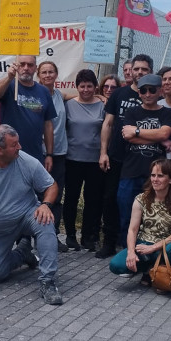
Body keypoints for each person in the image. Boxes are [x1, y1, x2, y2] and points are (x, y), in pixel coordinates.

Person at [0, 125, 63, 305]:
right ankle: (23, 253)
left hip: (27, 215)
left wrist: (46, 205)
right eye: (14, 145)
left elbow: (51, 186)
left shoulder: (25, 161)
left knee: (46, 222)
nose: (20, 147)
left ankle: (48, 281)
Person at [98, 54, 153, 258]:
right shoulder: (119, 94)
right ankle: (109, 242)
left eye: (144, 69)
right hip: (117, 157)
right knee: (110, 199)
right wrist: (103, 152)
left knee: (143, 202)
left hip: (143, 161)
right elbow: (108, 124)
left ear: (150, 72)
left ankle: (139, 244)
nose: (139, 73)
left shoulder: (153, 95)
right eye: (136, 69)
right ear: (130, 70)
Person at [108, 159, 171, 287]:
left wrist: (153, 247)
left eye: (160, 176)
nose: (155, 179)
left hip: (165, 246)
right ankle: (148, 269)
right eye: (153, 175)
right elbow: (132, 230)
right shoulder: (141, 198)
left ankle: (161, 272)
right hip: (143, 244)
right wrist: (130, 252)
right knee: (115, 265)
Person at [116, 73, 171, 243]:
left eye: (152, 90)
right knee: (127, 215)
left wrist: (138, 131)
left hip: (156, 175)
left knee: (155, 217)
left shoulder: (168, 113)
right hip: (131, 171)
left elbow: (164, 132)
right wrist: (160, 139)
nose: (148, 94)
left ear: (160, 91)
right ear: (139, 93)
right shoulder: (132, 112)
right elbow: (128, 137)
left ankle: (150, 254)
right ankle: (129, 253)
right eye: (144, 90)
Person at [63, 69, 105, 251]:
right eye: (82, 86)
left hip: (95, 160)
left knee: (92, 199)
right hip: (72, 158)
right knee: (71, 198)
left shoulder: (103, 105)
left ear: (95, 87)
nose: (86, 90)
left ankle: (88, 236)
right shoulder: (69, 104)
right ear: (77, 87)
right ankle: (71, 235)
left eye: (89, 86)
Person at [0, 55, 54, 171]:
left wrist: (49, 154)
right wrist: (9, 77)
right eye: (22, 64)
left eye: (30, 65)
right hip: (9, 154)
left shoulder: (44, 91)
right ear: (16, 66)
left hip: (35, 153)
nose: (26, 68)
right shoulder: (9, 86)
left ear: (36, 68)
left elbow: (48, 124)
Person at [38, 60, 69, 251]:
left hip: (59, 153)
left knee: (56, 196)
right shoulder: (35, 94)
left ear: (56, 74)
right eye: (44, 72)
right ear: (38, 75)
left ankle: (52, 236)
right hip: (39, 153)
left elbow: (74, 96)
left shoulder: (58, 94)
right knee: (36, 196)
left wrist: (99, 96)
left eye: (51, 71)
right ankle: (30, 237)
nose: (48, 75)